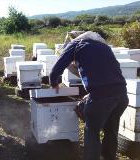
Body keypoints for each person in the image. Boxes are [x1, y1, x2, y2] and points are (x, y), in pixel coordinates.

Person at [50, 31, 129, 160]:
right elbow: (110, 70)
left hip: (101, 97)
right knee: (111, 130)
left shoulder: (75, 44)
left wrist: (54, 82)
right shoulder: (103, 47)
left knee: (92, 131)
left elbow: (58, 66)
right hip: (122, 96)